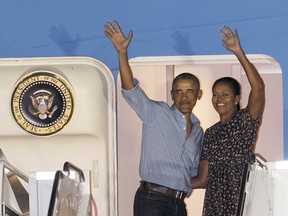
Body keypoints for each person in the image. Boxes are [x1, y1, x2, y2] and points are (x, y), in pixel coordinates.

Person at [104, 21, 204, 216]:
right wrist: (122, 53)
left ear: (198, 94)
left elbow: (191, 173)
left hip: (178, 204)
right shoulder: (157, 113)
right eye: (179, 92)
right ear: (172, 94)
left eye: (189, 91)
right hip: (152, 201)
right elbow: (130, 90)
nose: (184, 97)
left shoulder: (199, 131)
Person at [192, 26, 265, 216]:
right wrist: (168, 184)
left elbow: (258, 87)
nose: (219, 99)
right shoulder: (211, 132)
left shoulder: (245, 121)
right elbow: (203, 179)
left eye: (225, 94)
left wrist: (238, 52)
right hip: (214, 205)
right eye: (215, 94)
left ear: (236, 98)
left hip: (241, 201)